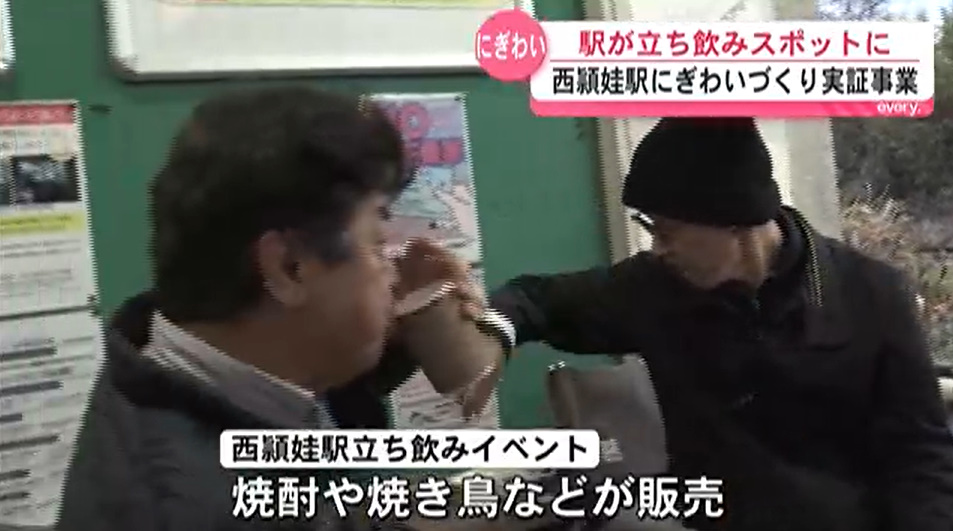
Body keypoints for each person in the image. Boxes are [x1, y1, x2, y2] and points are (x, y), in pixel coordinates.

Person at [488, 117, 953, 530]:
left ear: (735, 220)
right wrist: (494, 330)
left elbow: (921, 455)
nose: (658, 249)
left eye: (668, 232)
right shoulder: (655, 288)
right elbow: (537, 299)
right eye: (651, 230)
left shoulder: (872, 294)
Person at [55, 87, 482, 531]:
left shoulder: (175, 363)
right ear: (288, 267)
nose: (392, 270)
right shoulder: (196, 508)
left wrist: (387, 333)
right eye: (377, 243)